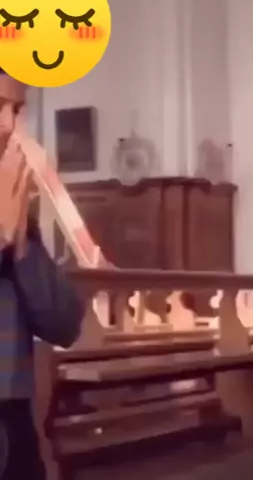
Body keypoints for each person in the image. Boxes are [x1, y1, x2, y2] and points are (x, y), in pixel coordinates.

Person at [0, 68, 84, 479]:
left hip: (14, 421)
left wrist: (20, 247)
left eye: (17, 110)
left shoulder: (14, 204)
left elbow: (64, 325)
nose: (8, 125)